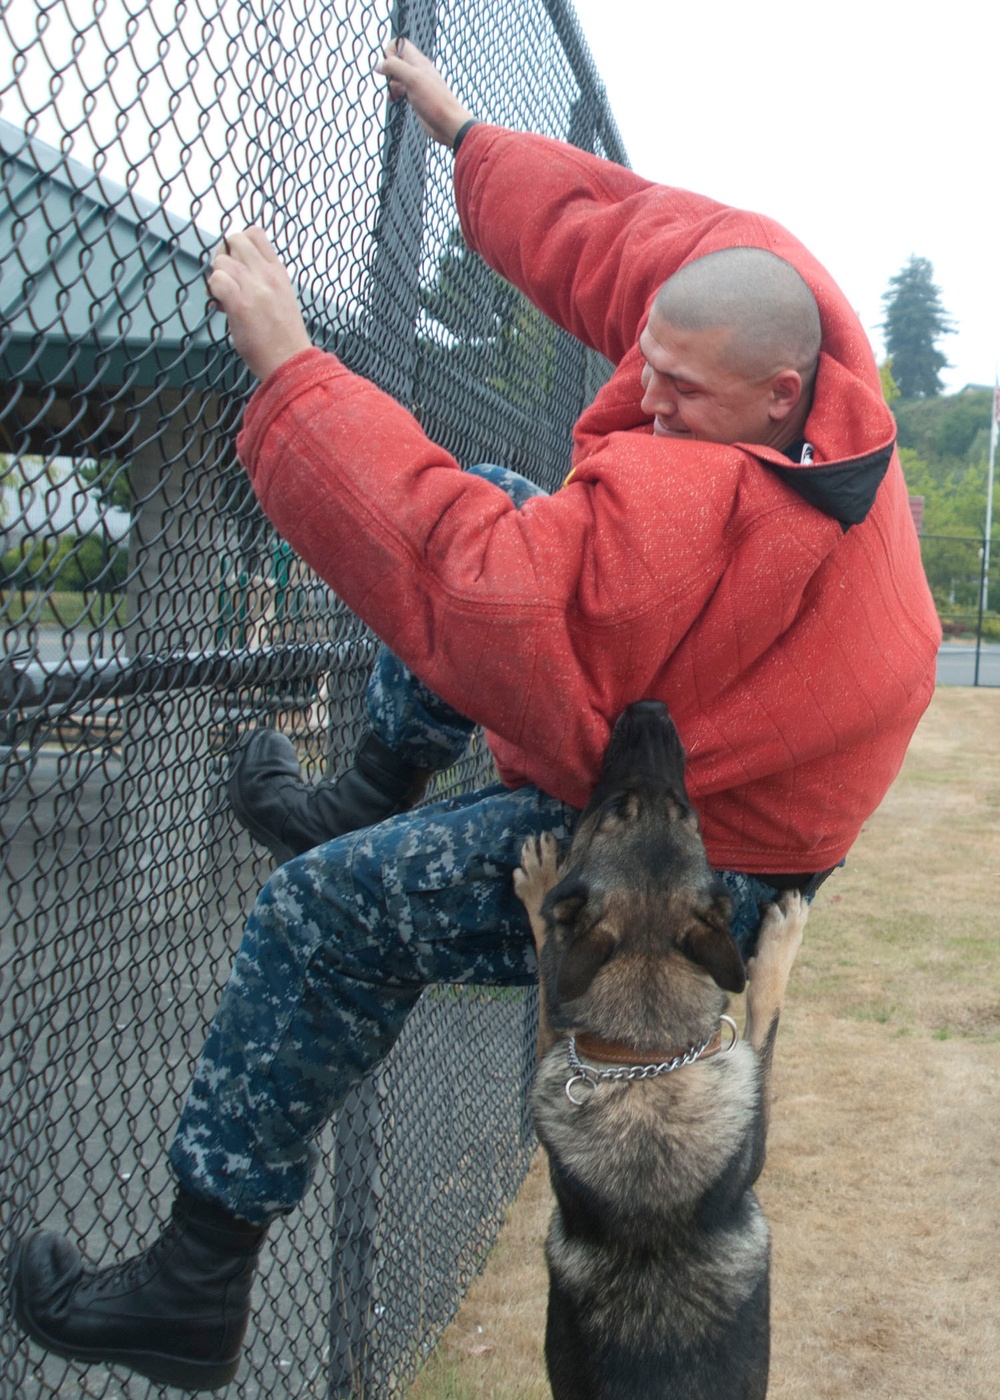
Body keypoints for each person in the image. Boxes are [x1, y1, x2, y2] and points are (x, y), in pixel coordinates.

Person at [10, 39, 941, 1392]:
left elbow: (482, 594)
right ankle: (365, 785)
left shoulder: (705, 507)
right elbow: (616, 233)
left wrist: (289, 370)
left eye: (681, 392)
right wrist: (467, 139)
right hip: (720, 741)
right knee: (508, 485)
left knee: (319, 911)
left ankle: (194, 1283)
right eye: (650, 365)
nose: (649, 396)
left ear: (776, 401)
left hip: (712, 860)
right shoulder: (778, 320)